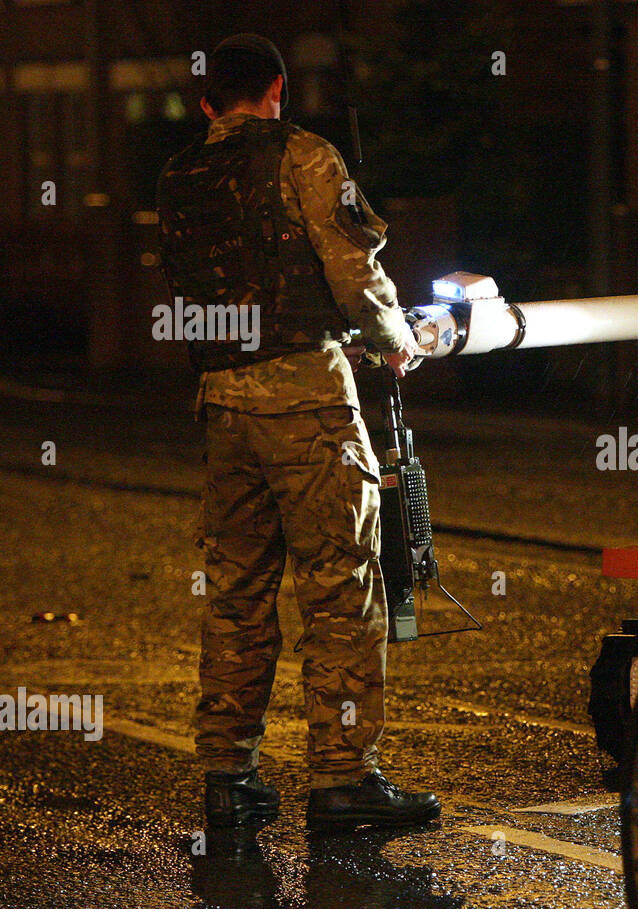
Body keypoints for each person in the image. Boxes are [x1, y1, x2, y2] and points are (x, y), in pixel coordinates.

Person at [156, 33, 440, 831]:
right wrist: (393, 339)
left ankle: (228, 778)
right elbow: (352, 269)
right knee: (340, 590)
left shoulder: (178, 176)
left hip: (221, 406)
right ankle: (343, 778)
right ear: (277, 89)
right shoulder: (305, 156)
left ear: (208, 100)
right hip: (308, 405)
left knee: (237, 595)